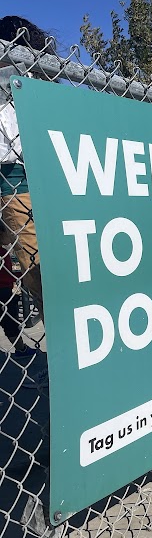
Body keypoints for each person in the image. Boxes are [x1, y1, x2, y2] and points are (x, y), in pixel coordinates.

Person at [0, 16, 53, 323]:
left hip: (17, 182)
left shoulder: (26, 80)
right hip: (16, 181)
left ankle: (63, 360)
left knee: (39, 277)